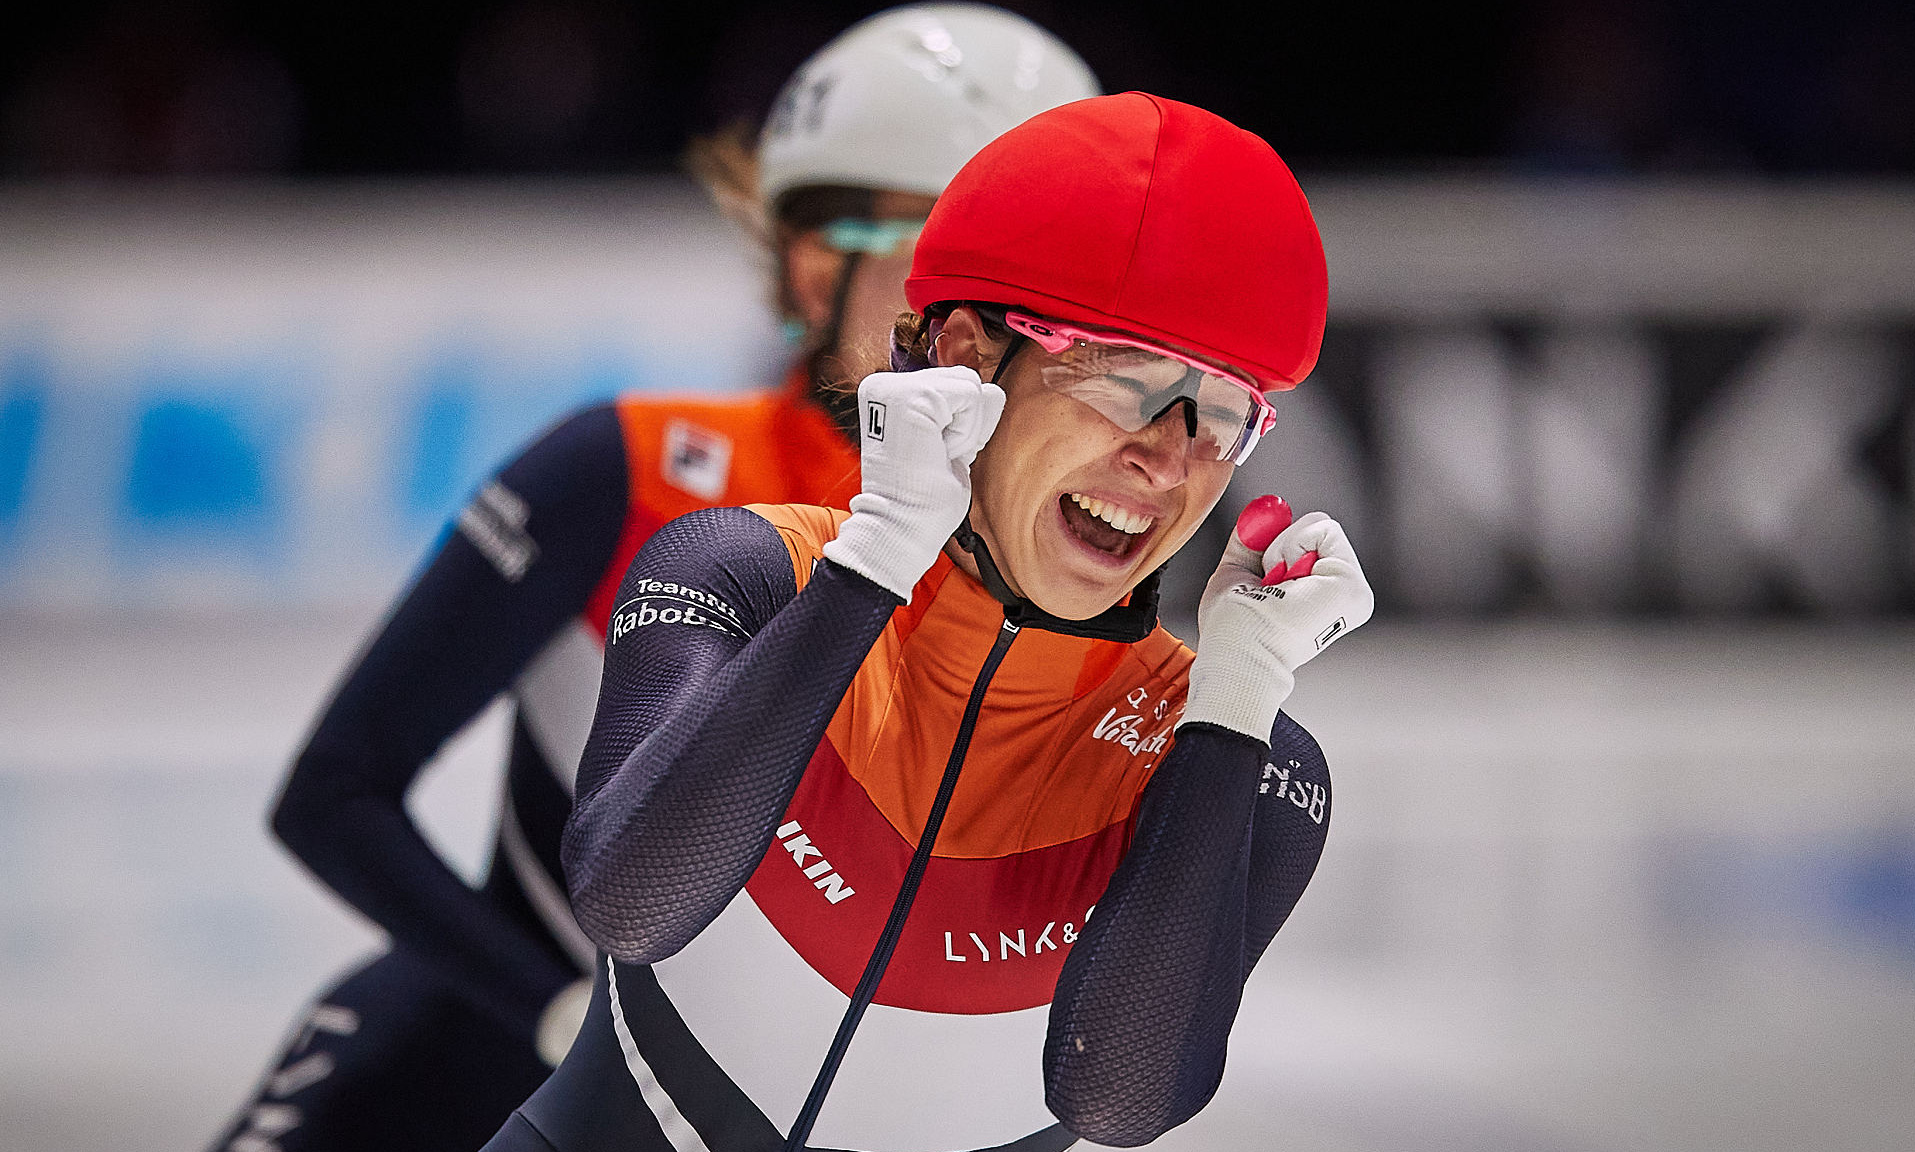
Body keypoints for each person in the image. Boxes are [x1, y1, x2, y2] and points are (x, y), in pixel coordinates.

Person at [209, 9, 1099, 1152]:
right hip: (455, 1077)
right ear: (816, 262)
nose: (1027, 331)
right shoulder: (627, 470)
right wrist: (551, 1008)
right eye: (965, 265)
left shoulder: (1072, 567)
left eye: (1064, 297)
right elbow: (335, 792)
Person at [484, 91, 1375, 1152]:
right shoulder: (749, 574)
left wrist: (1229, 708)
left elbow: (1118, 1101)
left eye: (1220, 411)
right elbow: (630, 903)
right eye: (1122, 382)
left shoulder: (1244, 757)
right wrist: (876, 554)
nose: (1168, 459)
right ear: (962, 353)